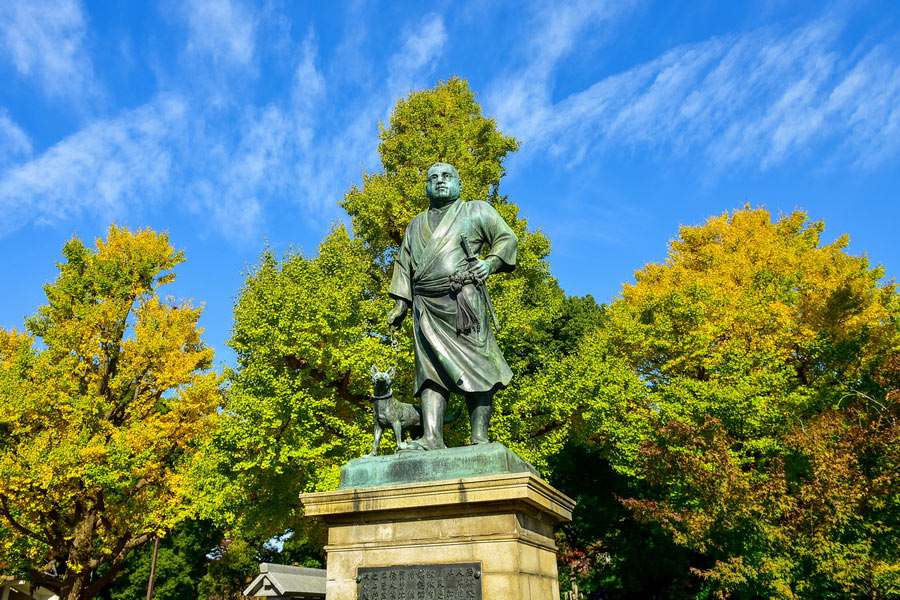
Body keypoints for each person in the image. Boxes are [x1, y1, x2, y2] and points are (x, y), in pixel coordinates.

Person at [386, 162, 517, 450]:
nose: (440, 181)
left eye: (447, 176)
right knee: (429, 370)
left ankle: (479, 437)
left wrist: (490, 263)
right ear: (427, 186)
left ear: (459, 182)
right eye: (433, 178)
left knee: (479, 365)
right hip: (425, 306)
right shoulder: (415, 225)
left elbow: (507, 239)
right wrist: (400, 303)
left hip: (463, 302)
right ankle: (432, 437)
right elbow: (403, 264)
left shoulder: (476, 210)